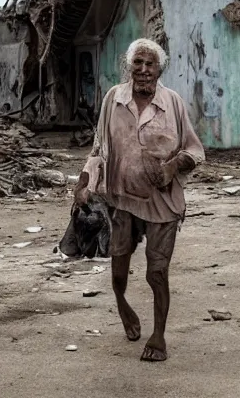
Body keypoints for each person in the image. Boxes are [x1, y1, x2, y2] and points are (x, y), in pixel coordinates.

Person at [73, 38, 205, 361]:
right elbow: (99, 148)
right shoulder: (113, 100)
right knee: (119, 273)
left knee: (156, 273)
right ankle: (122, 303)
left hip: (162, 203)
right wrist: (84, 184)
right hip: (122, 200)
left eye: (150, 64)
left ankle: (158, 336)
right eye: (138, 63)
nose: (144, 70)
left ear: (160, 69)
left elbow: (195, 151)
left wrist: (173, 167)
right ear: (128, 66)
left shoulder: (172, 103)